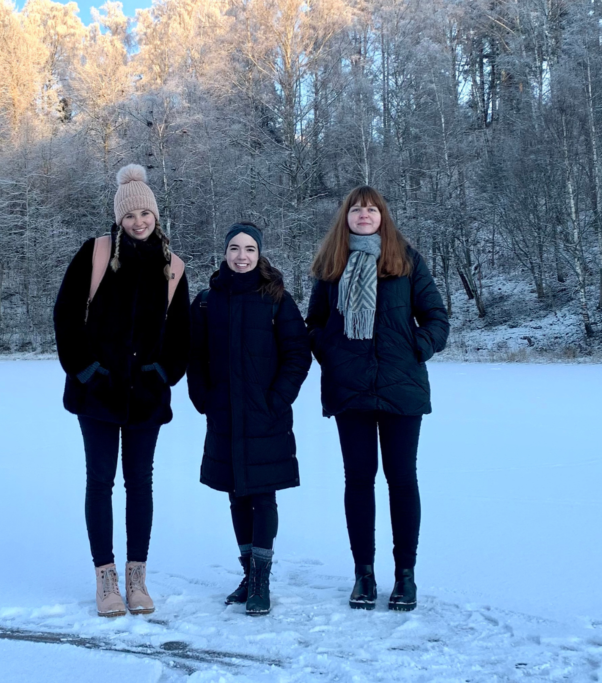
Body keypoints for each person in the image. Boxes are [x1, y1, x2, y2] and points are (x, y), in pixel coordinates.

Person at [53, 164, 190, 618]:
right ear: (119, 218)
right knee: (100, 482)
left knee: (140, 483)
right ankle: (105, 577)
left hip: (146, 396)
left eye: (145, 215)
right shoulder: (94, 254)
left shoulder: (172, 266)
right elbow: (66, 317)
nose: (138, 222)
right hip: (98, 394)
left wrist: (162, 373)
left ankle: (137, 578)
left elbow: (181, 335)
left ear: (155, 215)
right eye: (130, 216)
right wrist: (87, 370)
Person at [305, 186, 449, 612]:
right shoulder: (330, 266)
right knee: (359, 481)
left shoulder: (405, 260)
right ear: (345, 217)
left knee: (402, 481)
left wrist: (414, 347)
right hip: (350, 389)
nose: (364, 215)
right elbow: (313, 324)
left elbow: (437, 319)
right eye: (356, 209)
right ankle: (363, 575)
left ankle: (405, 576)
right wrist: (331, 351)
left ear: (382, 215)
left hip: (400, 386)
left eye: (371, 209)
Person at [187, 223, 311, 616]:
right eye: (236, 248)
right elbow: (195, 355)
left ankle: (261, 580)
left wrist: (277, 399)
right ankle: (247, 573)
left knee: (263, 495)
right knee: (236, 493)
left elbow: (298, 354)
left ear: (260, 255)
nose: (242, 256)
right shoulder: (206, 301)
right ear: (225, 253)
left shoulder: (276, 298)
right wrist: (204, 399)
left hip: (265, 415)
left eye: (250, 249)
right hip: (224, 413)